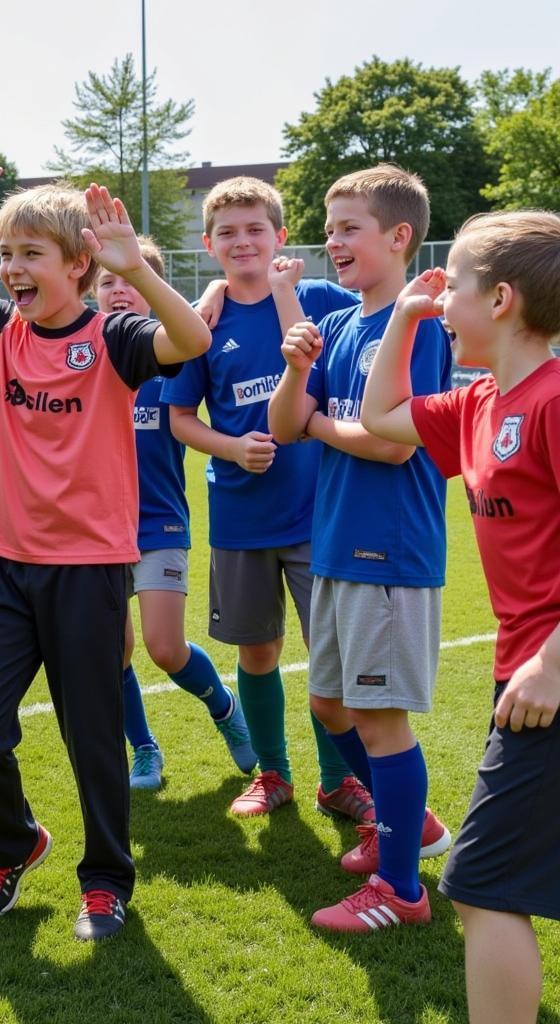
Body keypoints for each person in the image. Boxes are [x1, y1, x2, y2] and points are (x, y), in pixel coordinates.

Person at [0, 127, 210, 941]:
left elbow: (192, 342)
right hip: (6, 569)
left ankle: (104, 881)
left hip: (92, 573)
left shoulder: (115, 339)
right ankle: (17, 843)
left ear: (79, 266)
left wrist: (136, 268)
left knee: (93, 739)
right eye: (6, 253)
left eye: (31, 253)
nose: (13, 269)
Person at [360, 211, 560, 1021]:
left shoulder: (550, 401)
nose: (445, 298)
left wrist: (553, 660)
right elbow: (381, 418)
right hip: (523, 672)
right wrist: (406, 318)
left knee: (479, 884)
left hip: (545, 680)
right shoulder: (479, 402)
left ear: (503, 299)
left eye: (458, 285)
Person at [267, 165, 453, 932]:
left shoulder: (418, 328)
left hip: (389, 548)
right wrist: (296, 371)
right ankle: (414, 827)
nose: (332, 242)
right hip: (338, 543)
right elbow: (283, 426)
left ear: (399, 236)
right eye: (330, 227)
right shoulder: (341, 326)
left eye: (349, 228)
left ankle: (402, 890)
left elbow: (393, 446)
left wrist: (315, 423)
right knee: (328, 702)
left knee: (379, 719)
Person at [162, 177, 369, 819]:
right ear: (208, 245)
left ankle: (337, 780)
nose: (242, 241)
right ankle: (272, 772)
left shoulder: (322, 296)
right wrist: (229, 448)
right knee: (258, 650)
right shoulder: (204, 324)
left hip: (321, 514)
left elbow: (320, 359)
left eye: (256, 229)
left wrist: (283, 294)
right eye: (228, 232)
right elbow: (179, 417)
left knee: (330, 657)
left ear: (280, 237)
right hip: (241, 514)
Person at [94, 237, 255, 791]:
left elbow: (198, 322)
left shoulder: (173, 358)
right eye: (106, 283)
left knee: (164, 648)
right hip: (95, 531)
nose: (118, 291)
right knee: (112, 651)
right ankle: (144, 750)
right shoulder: (87, 357)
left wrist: (210, 287)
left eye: (129, 281)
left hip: (159, 521)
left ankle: (224, 707)